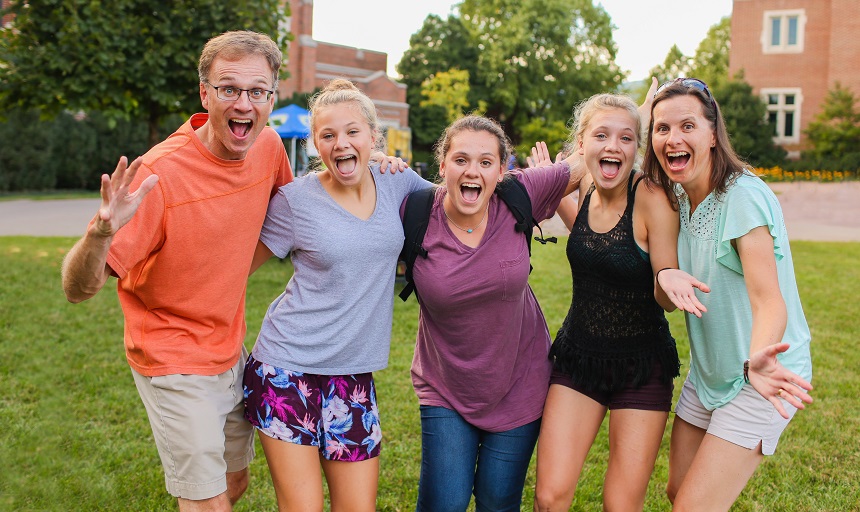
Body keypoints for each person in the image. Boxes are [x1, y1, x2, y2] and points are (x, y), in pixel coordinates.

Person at [61, 31, 292, 511]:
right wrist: (100, 234)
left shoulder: (269, 149)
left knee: (233, 483)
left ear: (272, 96)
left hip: (229, 346)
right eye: (229, 89)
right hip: (172, 357)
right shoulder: (158, 176)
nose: (243, 103)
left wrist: (370, 164)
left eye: (257, 91)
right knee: (208, 502)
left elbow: (294, 216)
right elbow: (77, 290)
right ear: (205, 94)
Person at [241, 79, 432, 511]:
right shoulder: (294, 201)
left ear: (373, 138)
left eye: (352, 132)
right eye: (327, 135)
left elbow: (459, 203)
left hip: (353, 378)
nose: (340, 143)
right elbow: (236, 271)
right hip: (285, 371)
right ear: (315, 144)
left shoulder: (399, 184)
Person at [642, 77, 813, 511]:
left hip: (762, 374)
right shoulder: (676, 195)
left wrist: (758, 358)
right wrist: (664, 278)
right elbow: (667, 297)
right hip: (710, 371)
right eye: (662, 129)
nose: (673, 139)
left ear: (713, 134)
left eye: (687, 126)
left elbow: (768, 300)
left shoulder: (742, 197)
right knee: (678, 491)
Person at [532, 93, 707, 512]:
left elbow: (664, 293)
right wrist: (554, 191)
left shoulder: (652, 197)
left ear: (636, 148)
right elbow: (592, 241)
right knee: (549, 496)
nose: (613, 146)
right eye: (602, 136)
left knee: (620, 504)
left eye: (626, 138)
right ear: (581, 144)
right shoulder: (588, 184)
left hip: (640, 367)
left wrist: (668, 278)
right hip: (579, 359)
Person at [402, 115, 585, 511]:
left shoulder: (520, 194)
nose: (472, 171)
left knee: (497, 502)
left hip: (521, 383)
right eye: (461, 159)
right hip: (445, 386)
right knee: (443, 504)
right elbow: (357, 184)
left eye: (486, 162)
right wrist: (380, 157)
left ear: (503, 170)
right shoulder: (414, 210)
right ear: (443, 164)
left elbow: (590, 156)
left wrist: (640, 115)